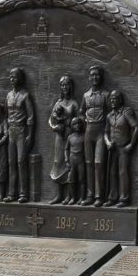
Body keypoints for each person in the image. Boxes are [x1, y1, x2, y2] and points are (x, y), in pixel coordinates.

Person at [103, 90, 138, 207]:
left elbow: (136, 128)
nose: (112, 101)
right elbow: (105, 132)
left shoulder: (126, 113)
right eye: (111, 99)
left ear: (120, 100)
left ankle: (124, 199)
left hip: (123, 148)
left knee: (123, 173)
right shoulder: (109, 116)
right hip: (112, 149)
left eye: (115, 98)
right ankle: (112, 198)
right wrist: (107, 142)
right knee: (112, 173)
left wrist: (131, 145)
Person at [47, 75, 80, 204]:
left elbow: (80, 120)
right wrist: (54, 127)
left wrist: (71, 124)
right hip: (59, 137)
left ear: (70, 87)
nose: (64, 87)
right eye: (62, 85)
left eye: (66, 85)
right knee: (58, 162)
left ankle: (70, 195)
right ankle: (59, 194)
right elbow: (50, 119)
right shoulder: (58, 103)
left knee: (69, 164)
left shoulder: (74, 103)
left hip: (70, 136)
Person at [4, 67, 35, 203]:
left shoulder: (25, 95)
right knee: (11, 163)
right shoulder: (8, 96)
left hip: (22, 131)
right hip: (11, 131)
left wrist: (30, 135)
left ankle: (23, 194)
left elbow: (31, 117)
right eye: (11, 76)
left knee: (21, 162)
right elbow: (6, 115)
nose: (12, 79)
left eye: (15, 76)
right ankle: (11, 193)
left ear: (20, 78)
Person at [81, 66, 108, 205]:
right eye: (92, 75)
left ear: (101, 77)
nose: (94, 77)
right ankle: (90, 195)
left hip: (101, 132)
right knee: (88, 164)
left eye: (97, 75)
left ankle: (99, 196)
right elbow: (81, 112)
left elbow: (110, 113)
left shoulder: (106, 95)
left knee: (98, 163)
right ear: (89, 77)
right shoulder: (85, 96)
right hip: (88, 131)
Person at [63, 117, 87, 205]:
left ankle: (82, 198)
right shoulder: (70, 137)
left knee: (82, 180)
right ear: (72, 126)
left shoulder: (84, 136)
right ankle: (73, 198)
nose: (77, 125)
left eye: (78, 123)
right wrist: (66, 160)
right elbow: (66, 149)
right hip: (72, 160)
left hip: (81, 160)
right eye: (74, 124)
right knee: (71, 180)